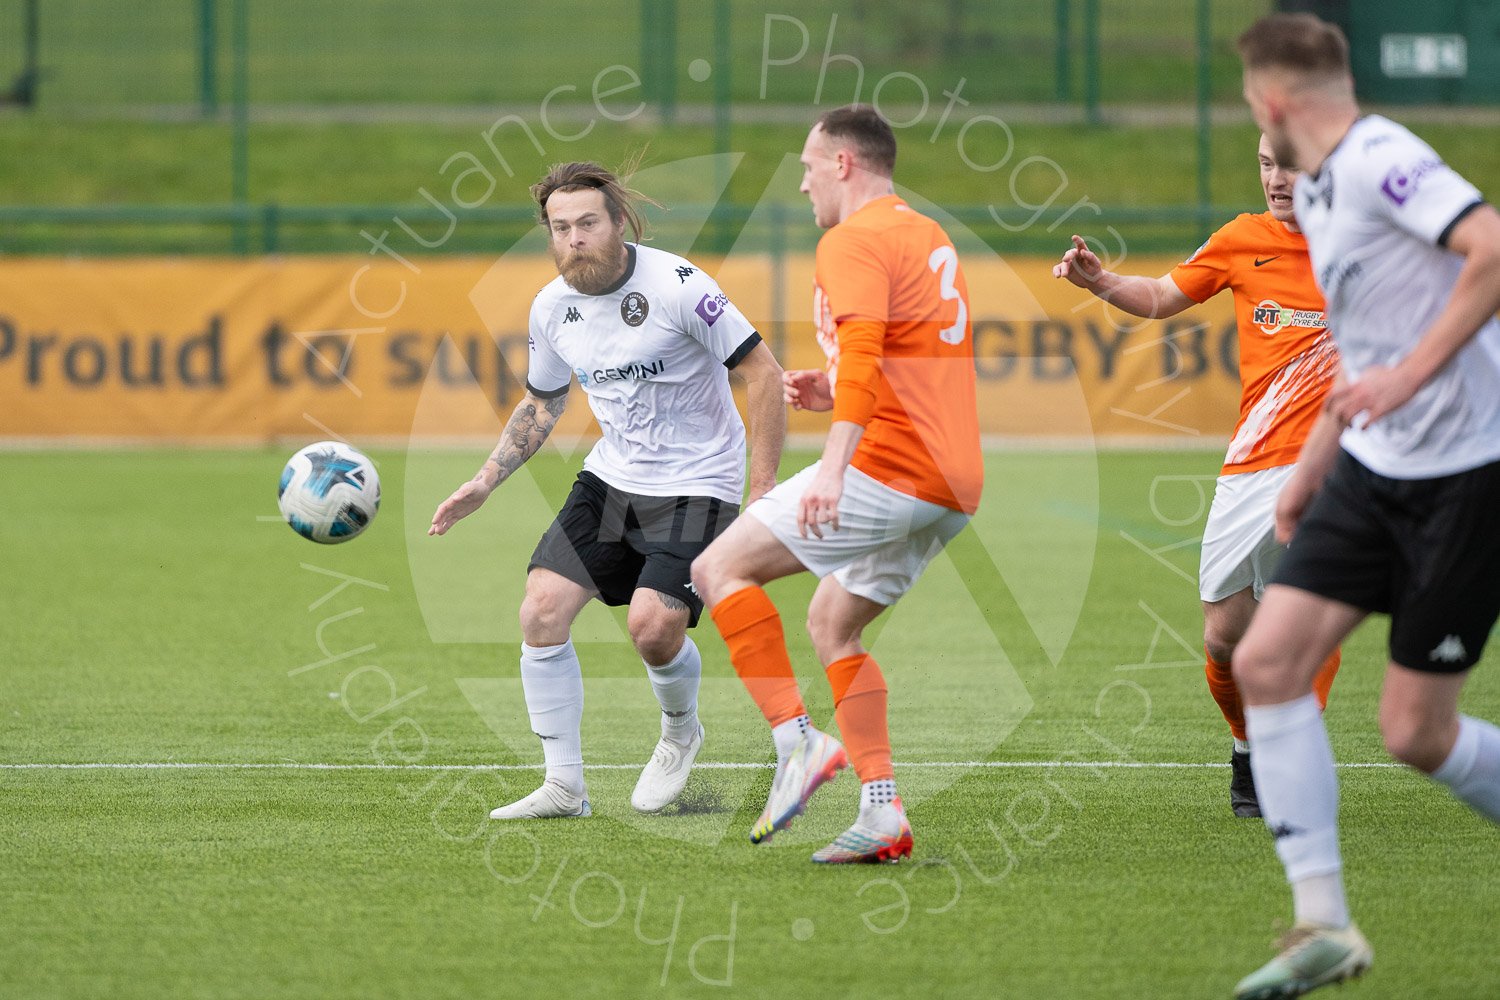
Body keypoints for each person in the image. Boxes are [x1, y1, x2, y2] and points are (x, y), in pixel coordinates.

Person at [1228, 13, 1500, 998]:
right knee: (1265, 658)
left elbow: (1492, 248)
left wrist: (1409, 379)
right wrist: (1312, 466)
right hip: (1372, 468)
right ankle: (1323, 925)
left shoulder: (1383, 158)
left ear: (1273, 100)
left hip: (1468, 473)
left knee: (1417, 734)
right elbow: (1364, 353)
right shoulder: (1322, 193)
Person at [429, 161, 786, 820]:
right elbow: (542, 402)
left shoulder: (680, 286)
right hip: (612, 476)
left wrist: (761, 487)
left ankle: (681, 733)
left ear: (618, 222)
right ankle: (564, 786)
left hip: (699, 481)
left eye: (587, 223)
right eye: (560, 228)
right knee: (539, 612)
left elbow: (763, 374)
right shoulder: (551, 307)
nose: (574, 239)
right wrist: (485, 479)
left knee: (652, 629)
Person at [691, 105, 983, 864]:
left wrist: (831, 464)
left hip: (893, 467)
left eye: (808, 164)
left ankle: (797, 743)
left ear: (844, 164)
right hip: (951, 481)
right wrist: (841, 397)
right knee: (832, 622)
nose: (801, 180)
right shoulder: (923, 232)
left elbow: (861, 348)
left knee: (716, 568)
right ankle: (883, 811)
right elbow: (900, 354)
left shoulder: (851, 239)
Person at [1053, 135, 1342, 818]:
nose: (1276, 178)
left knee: (1309, 626)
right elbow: (1160, 295)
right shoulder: (1244, 239)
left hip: (1340, 470)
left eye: (1291, 164)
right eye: (1267, 163)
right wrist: (1100, 281)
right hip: (1252, 465)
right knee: (1223, 635)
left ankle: (1288, 756)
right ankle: (1246, 747)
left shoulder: (1368, 244)